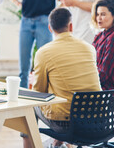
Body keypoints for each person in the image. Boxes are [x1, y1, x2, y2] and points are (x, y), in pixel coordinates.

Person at [23, 8, 101, 148]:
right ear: (71, 26)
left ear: (50, 28)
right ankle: (58, 143)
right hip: (96, 120)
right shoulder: (90, 48)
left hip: (66, 124)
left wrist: (35, 81)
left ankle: (29, 146)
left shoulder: (44, 52)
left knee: (29, 106)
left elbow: (38, 93)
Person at [9, 0, 70, 88]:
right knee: (24, 65)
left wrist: (57, 10)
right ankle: (22, 95)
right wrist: (18, 4)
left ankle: (42, 94)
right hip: (26, 23)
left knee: (44, 62)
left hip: (44, 23)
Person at [92, 0, 114, 90]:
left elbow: (104, 73)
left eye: (103, 14)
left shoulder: (112, 37)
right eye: (97, 14)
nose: (99, 18)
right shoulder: (99, 36)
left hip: (107, 91)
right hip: (96, 84)